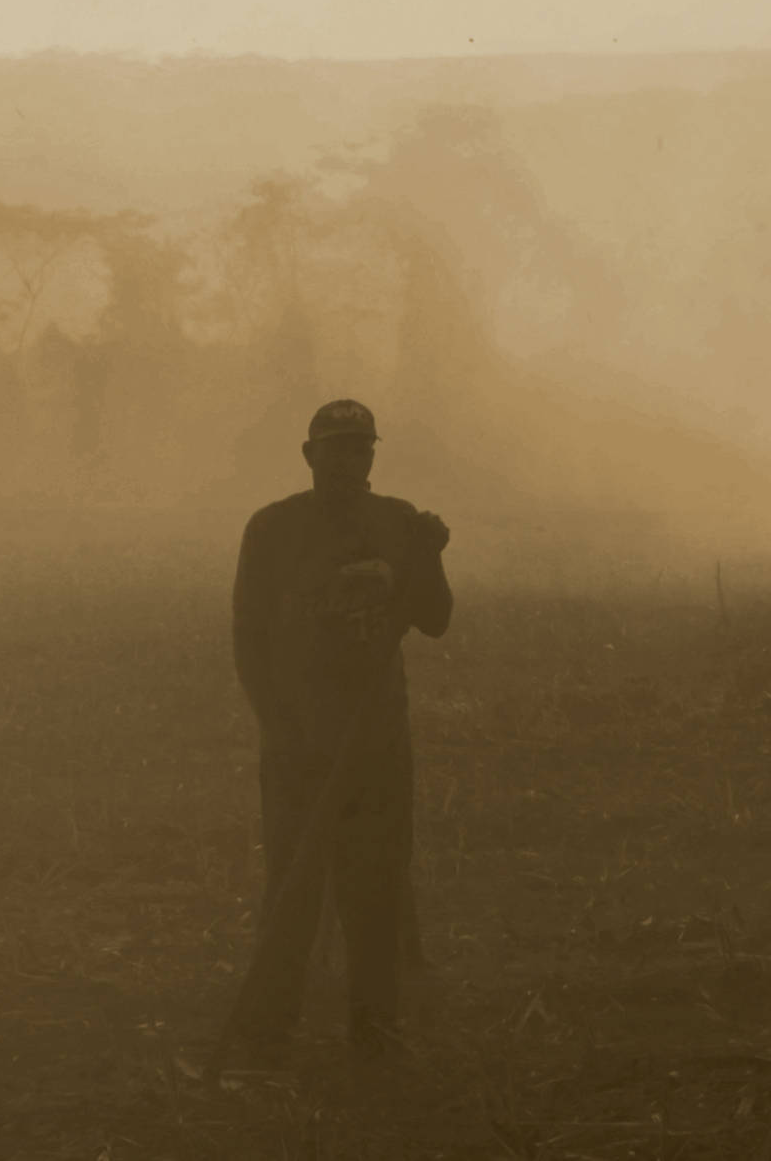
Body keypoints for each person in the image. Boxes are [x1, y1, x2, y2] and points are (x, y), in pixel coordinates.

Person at [229, 399, 452, 1059]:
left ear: (374, 456)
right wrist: (281, 729)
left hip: (379, 741)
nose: (350, 462)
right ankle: (270, 1029)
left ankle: (375, 1030)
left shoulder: (400, 524)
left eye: (361, 449)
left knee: (376, 882)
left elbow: (435, 618)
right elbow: (249, 640)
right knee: (294, 884)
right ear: (309, 454)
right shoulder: (273, 529)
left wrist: (431, 557)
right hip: (301, 741)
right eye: (336, 449)